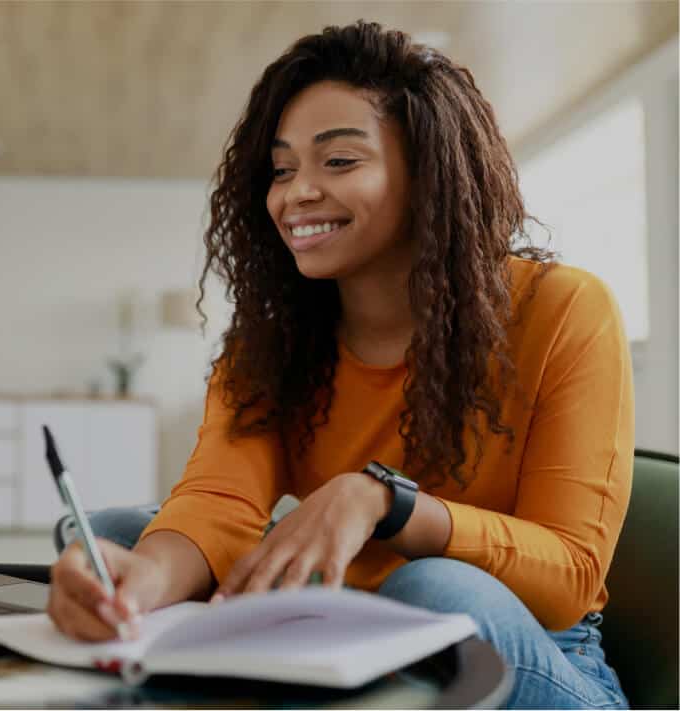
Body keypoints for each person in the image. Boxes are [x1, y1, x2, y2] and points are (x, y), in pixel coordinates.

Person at [48, 21, 632, 710]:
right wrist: (136, 585)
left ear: (428, 174)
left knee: (433, 589)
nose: (295, 194)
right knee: (122, 534)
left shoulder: (563, 308)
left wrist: (385, 502)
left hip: (531, 653)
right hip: (346, 633)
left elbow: (568, 573)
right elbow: (218, 498)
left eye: (339, 161)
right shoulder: (268, 342)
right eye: (282, 168)